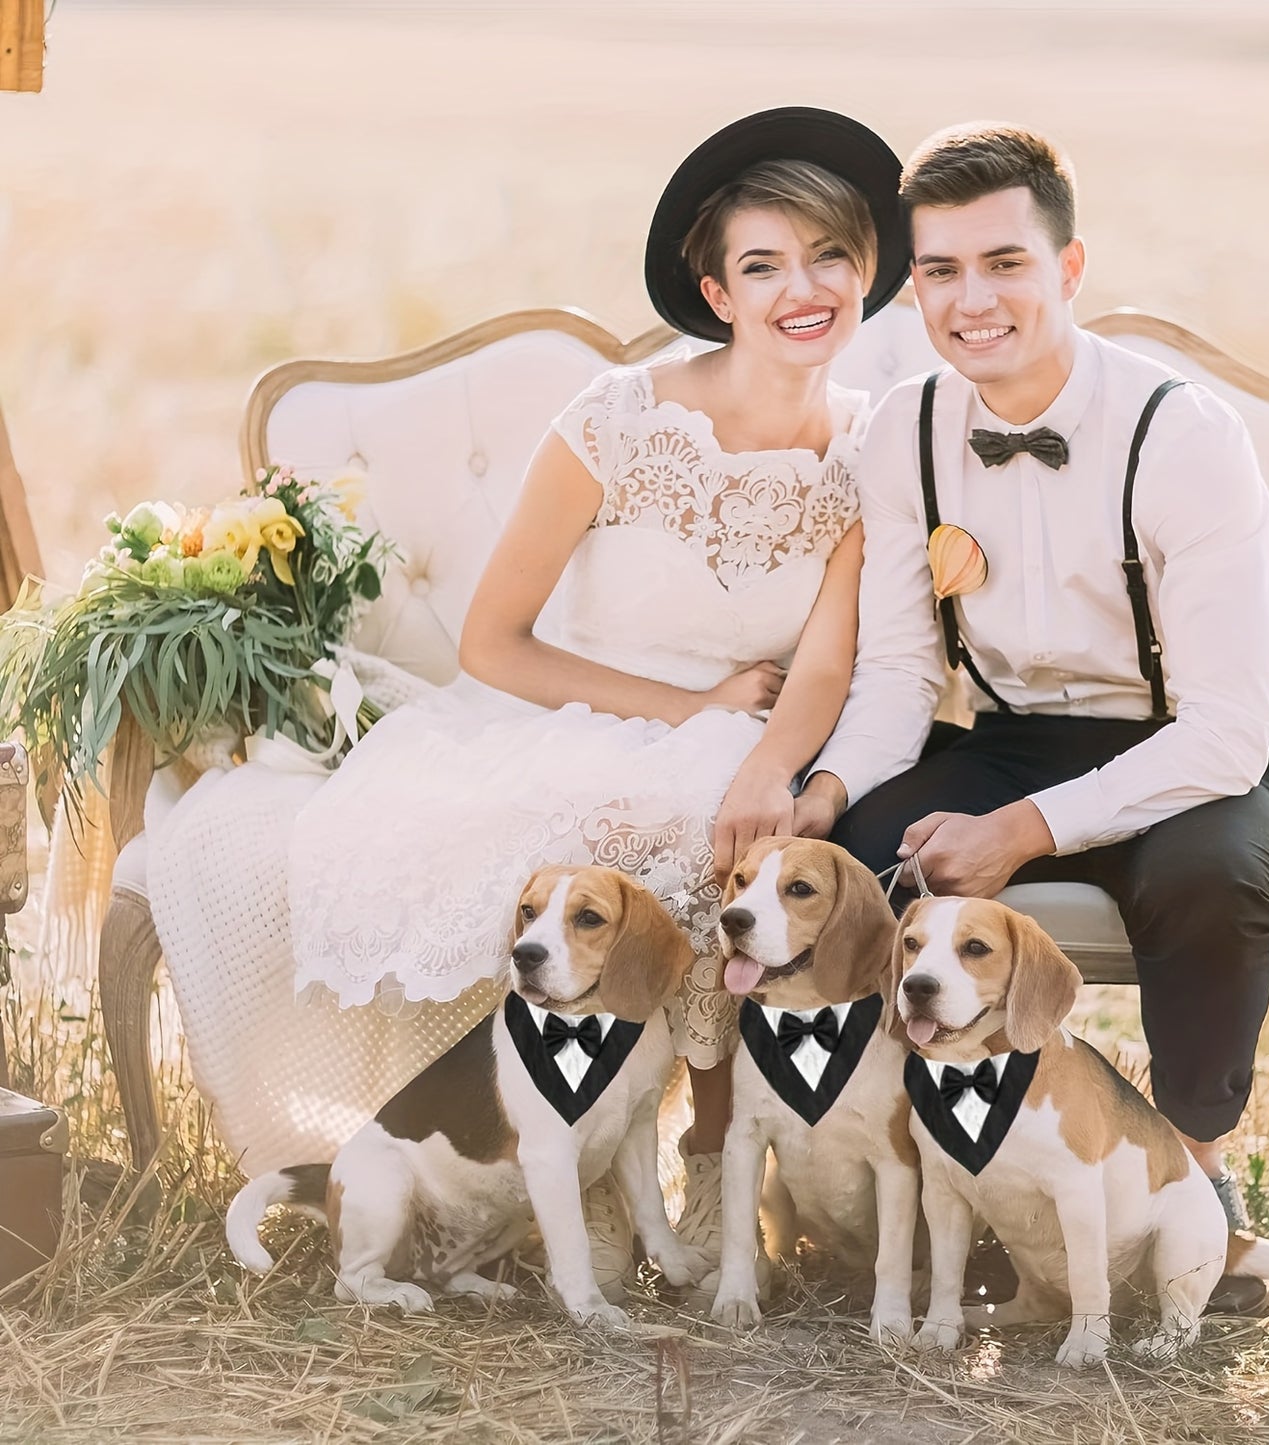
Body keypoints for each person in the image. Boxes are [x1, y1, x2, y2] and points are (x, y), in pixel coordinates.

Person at [278, 107, 910, 1277]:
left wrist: (764, 757)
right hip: (576, 718)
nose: (803, 287)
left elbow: (825, 663)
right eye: (762, 265)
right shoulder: (616, 421)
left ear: (869, 269)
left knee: (747, 838)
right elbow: (493, 642)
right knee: (644, 837)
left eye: (829, 255)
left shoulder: (873, 446)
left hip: (750, 733)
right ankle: (545, 1179)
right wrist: (699, 713)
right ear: (717, 293)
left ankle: (717, 1188)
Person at [793, 124, 1269, 1230]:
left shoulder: (1182, 435)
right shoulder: (901, 434)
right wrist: (821, 798)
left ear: (1066, 268)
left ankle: (1192, 1180)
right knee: (841, 868)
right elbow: (893, 674)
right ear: (912, 284)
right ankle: (880, 1173)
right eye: (939, 270)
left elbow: (1227, 729)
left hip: (1178, 750)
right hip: (1009, 737)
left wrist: (1017, 829)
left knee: (1209, 882)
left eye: (1003, 262)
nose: (971, 300)